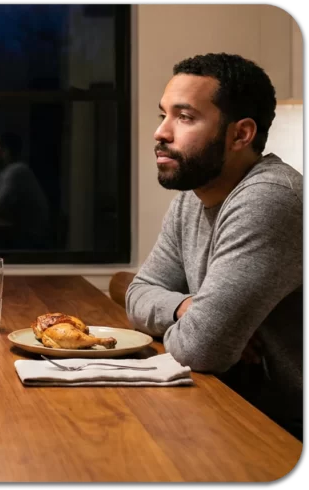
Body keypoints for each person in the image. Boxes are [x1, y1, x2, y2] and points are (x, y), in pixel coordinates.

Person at [126, 53, 304, 438]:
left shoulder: (269, 198)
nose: (161, 132)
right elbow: (137, 294)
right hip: (233, 407)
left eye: (185, 117)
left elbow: (200, 348)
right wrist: (187, 307)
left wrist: (199, 326)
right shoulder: (192, 199)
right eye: (164, 115)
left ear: (240, 134)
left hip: (284, 428)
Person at [0, 132, 51, 246]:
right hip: (22, 236)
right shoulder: (7, 172)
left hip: (30, 241)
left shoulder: (16, 172)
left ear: (5, 152)